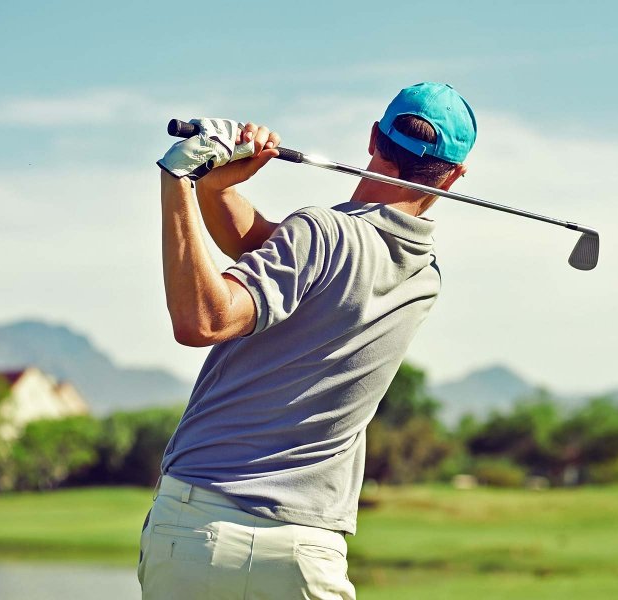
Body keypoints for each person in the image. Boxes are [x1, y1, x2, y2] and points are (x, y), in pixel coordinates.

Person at [140, 82, 477, 599]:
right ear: (454, 177)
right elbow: (270, 253)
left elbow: (203, 321)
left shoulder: (322, 232)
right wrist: (218, 190)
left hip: (200, 525)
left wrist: (182, 179)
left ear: (373, 139)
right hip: (307, 552)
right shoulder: (424, 274)